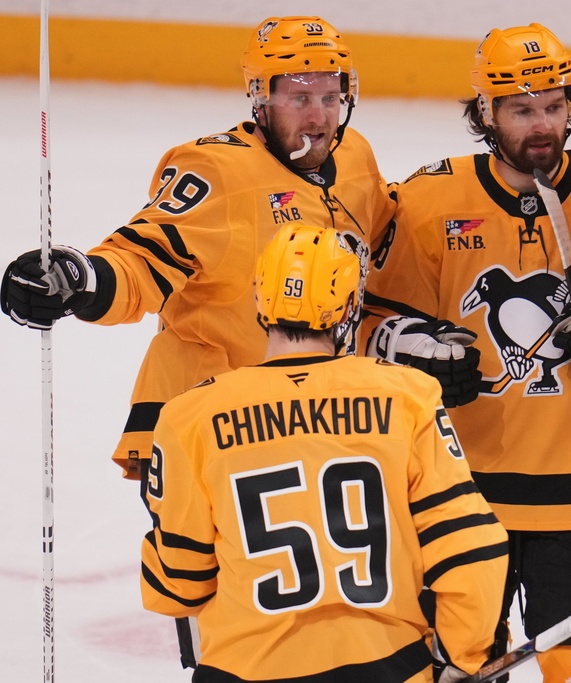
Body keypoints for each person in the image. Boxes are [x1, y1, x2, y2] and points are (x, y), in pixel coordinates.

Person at [0, 15, 395, 485]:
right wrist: (83, 279)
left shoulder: (355, 157)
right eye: (300, 98)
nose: (319, 117)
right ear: (262, 98)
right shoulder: (218, 170)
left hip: (305, 415)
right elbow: (143, 258)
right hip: (205, 416)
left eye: (330, 98)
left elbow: (387, 240)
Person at [140, 222, 509, 682]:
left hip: (243, 671)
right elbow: (471, 544)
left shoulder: (189, 415)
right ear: (350, 306)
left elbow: (176, 586)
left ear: (260, 300)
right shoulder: (407, 394)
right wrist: (466, 657)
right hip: (386, 665)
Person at [361, 24, 571, 683]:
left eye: (554, 107)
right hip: (463, 495)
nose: (542, 126)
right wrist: (409, 348)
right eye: (522, 109)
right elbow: (370, 319)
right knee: (457, 671)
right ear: (485, 113)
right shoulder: (429, 200)